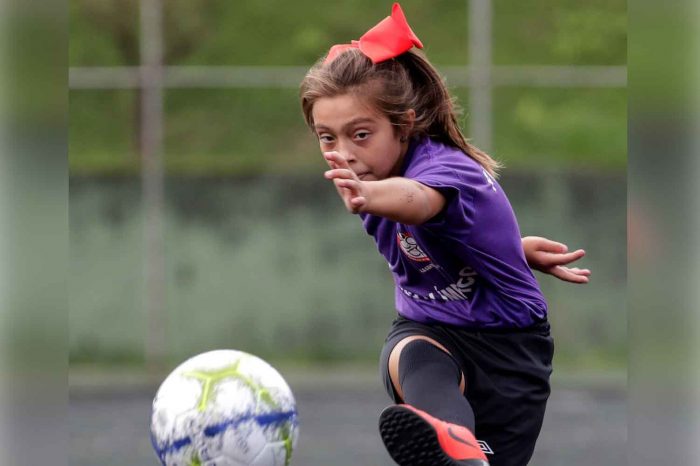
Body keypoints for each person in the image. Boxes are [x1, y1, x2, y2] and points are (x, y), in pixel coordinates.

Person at [299, 4, 589, 465]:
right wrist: (510, 252)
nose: (343, 153)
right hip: (429, 327)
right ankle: (450, 440)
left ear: (405, 124)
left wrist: (369, 196)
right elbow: (449, 234)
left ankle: (466, 455)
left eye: (359, 134)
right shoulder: (366, 174)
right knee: (412, 354)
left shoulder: (439, 169)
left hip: (508, 348)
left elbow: (420, 200)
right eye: (326, 137)